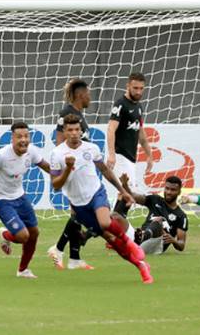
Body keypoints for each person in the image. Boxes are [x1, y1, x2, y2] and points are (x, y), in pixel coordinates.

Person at [50, 115, 152, 283]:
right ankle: (140, 266)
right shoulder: (57, 154)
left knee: (105, 222)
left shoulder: (91, 148)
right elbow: (56, 185)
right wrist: (68, 168)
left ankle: (130, 242)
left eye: (77, 129)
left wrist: (122, 190)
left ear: (81, 131)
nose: (74, 133)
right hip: (78, 203)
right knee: (109, 237)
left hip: (96, 193)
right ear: (64, 132)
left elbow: (104, 170)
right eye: (70, 130)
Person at [0, 121, 50, 279]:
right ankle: (6, 235)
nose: (23, 140)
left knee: (34, 233)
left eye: (26, 136)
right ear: (12, 138)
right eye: (19, 137)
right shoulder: (0, 156)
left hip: (20, 196)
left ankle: (23, 270)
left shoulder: (31, 151)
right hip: (1, 199)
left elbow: (47, 167)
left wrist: (66, 173)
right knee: (23, 236)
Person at [48, 78, 95, 270]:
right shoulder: (67, 113)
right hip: (71, 171)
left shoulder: (78, 115)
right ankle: (58, 249)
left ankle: (74, 258)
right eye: (88, 93)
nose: (90, 97)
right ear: (80, 94)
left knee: (79, 214)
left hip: (80, 170)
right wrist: (67, 167)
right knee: (79, 214)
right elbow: (60, 142)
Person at [106, 72, 154, 193]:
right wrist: (112, 154)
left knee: (126, 195)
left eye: (141, 88)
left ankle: (111, 212)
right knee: (128, 193)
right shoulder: (120, 104)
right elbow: (111, 129)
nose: (138, 92)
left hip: (131, 157)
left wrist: (149, 155)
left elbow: (141, 134)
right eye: (135, 88)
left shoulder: (138, 106)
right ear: (128, 86)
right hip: (120, 155)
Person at [116, 174, 188, 255]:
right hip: (138, 240)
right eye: (167, 188)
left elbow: (181, 245)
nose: (169, 192)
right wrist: (125, 185)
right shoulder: (155, 199)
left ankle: (141, 237)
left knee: (159, 220)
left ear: (179, 192)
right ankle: (118, 240)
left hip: (156, 245)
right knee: (115, 216)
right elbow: (132, 196)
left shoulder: (181, 215)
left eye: (173, 190)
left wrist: (173, 240)